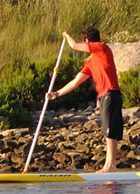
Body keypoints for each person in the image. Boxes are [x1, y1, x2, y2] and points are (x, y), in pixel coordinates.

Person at [46, 27, 123, 173]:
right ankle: (110, 165)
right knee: (109, 130)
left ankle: (110, 166)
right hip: (106, 96)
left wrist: (67, 35)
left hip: (111, 94)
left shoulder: (102, 48)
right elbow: (75, 82)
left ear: (87, 41)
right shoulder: (91, 62)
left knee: (110, 131)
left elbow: (74, 45)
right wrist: (57, 93)